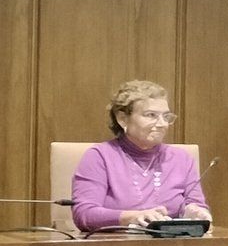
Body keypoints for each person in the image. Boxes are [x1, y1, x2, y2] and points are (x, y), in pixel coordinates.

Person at [70, 80, 211, 231]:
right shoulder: (99, 157)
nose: (162, 124)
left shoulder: (181, 159)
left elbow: (195, 204)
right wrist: (132, 217)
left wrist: (196, 212)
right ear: (122, 119)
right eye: (151, 115)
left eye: (166, 116)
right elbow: (84, 214)